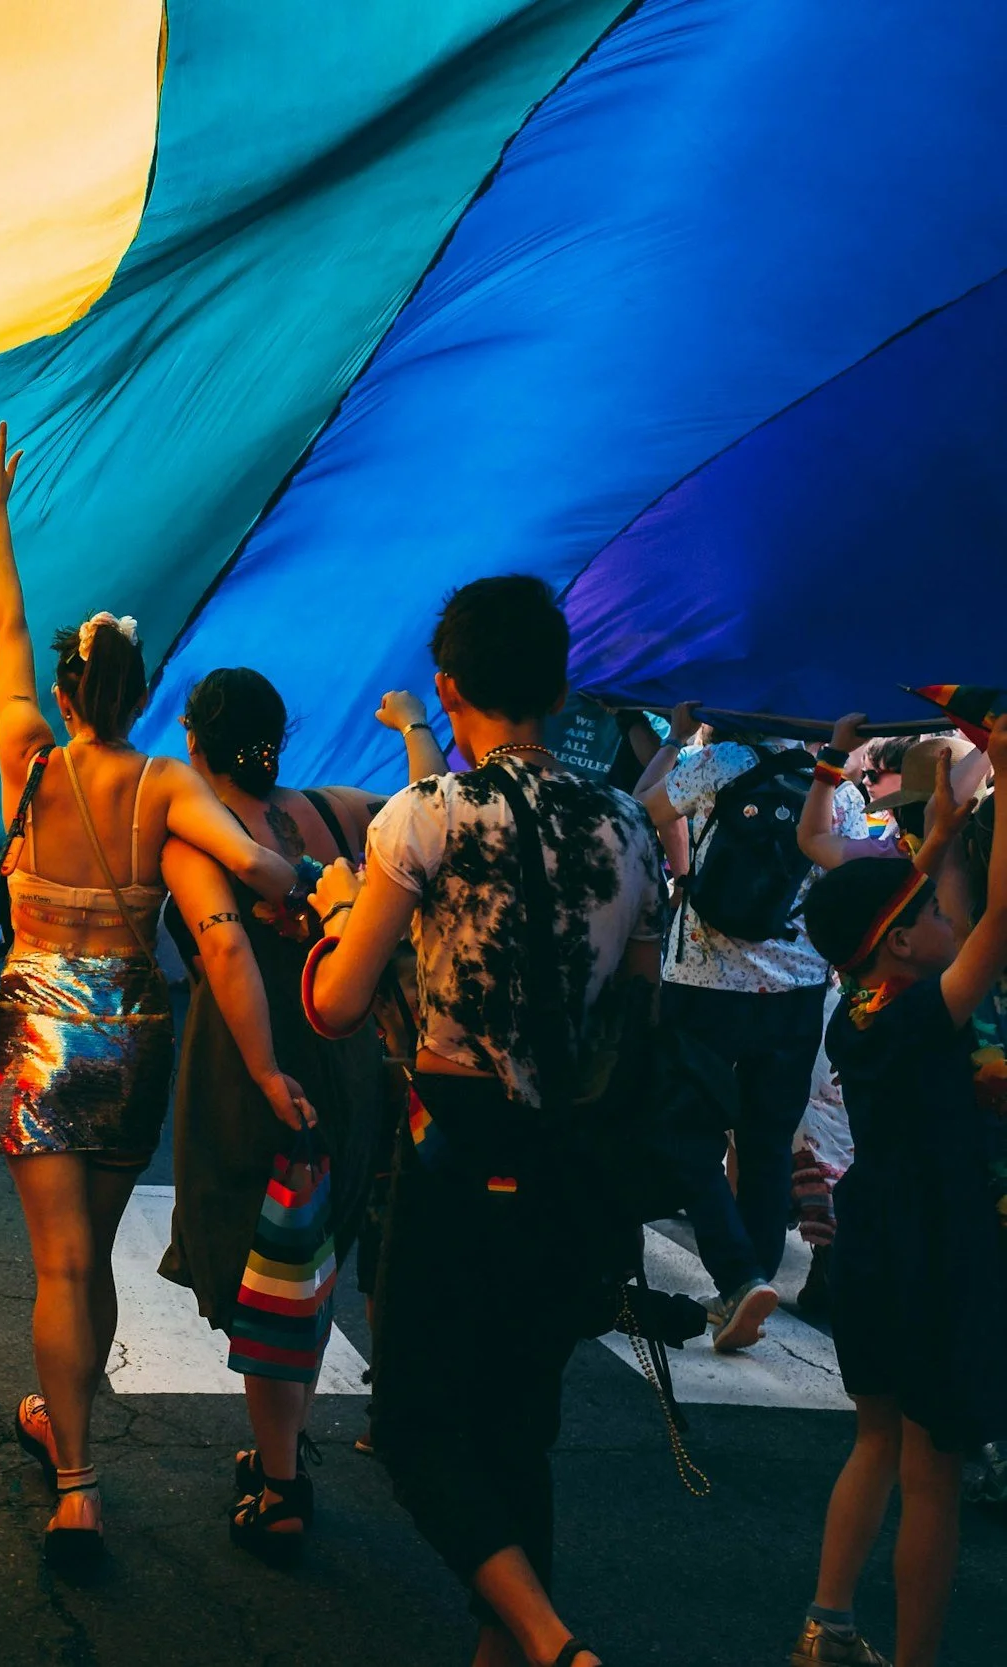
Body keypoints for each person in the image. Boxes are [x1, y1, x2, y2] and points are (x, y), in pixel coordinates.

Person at [308, 575, 666, 1667]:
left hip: (457, 1152)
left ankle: (554, 1642)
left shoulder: (426, 816)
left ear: (447, 687)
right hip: (575, 1163)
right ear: (558, 688)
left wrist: (333, 916)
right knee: (519, 1432)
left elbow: (336, 1003)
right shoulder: (627, 828)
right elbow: (638, 1004)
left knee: (416, 1423)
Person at [0, 420, 297, 1562]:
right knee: (88, 1259)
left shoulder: (29, 757)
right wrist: (315, 881)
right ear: (145, 690)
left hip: (39, 1023)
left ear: (66, 686)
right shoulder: (161, 783)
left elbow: (5, 625)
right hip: (133, 1030)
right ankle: (69, 1425)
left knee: (52, 1264)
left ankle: (76, 1480)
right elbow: (254, 866)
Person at [785, 719, 1007, 1667]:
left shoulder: (863, 1014)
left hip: (875, 1237)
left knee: (876, 1439)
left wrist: (944, 835)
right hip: (937, 1247)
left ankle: (828, 1620)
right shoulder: (924, 1018)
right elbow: (999, 919)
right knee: (933, 1473)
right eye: (929, 915)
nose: (947, 919)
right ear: (901, 949)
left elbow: (948, 910)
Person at [157, 666, 385, 1566]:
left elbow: (220, 948)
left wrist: (258, 1069)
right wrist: (411, 727)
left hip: (253, 1063)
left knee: (264, 1267)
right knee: (309, 1257)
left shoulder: (198, 837)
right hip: (346, 1051)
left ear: (197, 743)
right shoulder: (337, 812)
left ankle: (282, 1482)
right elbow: (422, 808)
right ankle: (279, 1445)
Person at [636, 702, 869, 1350]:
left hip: (703, 984)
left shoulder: (718, 762)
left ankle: (738, 1278)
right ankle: (754, 1283)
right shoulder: (837, 787)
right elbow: (836, 880)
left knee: (686, 1134)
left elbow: (642, 811)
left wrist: (677, 739)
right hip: (794, 990)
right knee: (765, 1147)